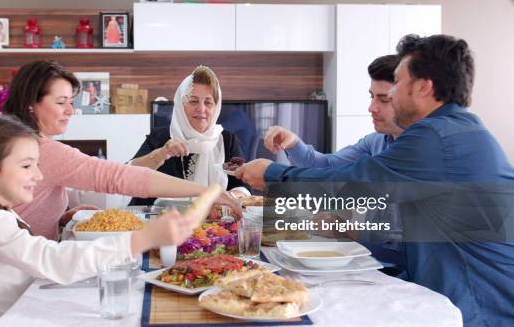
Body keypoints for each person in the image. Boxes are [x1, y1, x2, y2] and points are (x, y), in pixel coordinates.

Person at [236, 34, 514, 326]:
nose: (391, 95)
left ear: (423, 87)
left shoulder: (438, 138)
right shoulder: (456, 131)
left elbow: (350, 187)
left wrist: (271, 174)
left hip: (480, 310)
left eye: (396, 82)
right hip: (449, 294)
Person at [0, 116, 208, 326]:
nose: (39, 176)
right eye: (27, 166)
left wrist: (62, 220)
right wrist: (143, 238)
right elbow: (57, 261)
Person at [2, 60, 240, 240]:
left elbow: (27, 210)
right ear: (31, 106)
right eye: (60, 102)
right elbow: (119, 177)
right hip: (17, 277)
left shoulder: (17, 141)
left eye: (71, 102)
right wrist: (207, 192)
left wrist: (61, 218)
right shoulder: (42, 150)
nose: (70, 111)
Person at [263, 54, 405, 271]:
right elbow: (328, 166)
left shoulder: (421, 153)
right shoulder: (375, 141)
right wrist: (293, 143)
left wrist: (345, 230)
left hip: (401, 272)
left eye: (383, 99)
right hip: (371, 263)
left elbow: (401, 244)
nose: (371, 107)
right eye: (371, 97)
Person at [129, 66, 249, 207]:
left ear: (216, 107)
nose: (201, 109)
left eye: (208, 102)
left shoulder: (227, 140)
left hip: (213, 226)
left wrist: (226, 197)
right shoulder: (160, 137)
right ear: (181, 105)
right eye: (193, 101)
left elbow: (243, 187)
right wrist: (162, 153)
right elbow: (128, 175)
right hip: (157, 222)